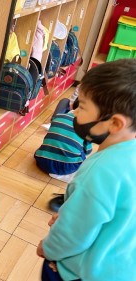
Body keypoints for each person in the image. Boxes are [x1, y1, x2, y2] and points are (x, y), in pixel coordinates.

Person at [37, 59, 136, 281]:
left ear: (115, 124)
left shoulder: (100, 170)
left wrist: (49, 248)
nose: (74, 113)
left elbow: (73, 235)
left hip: (80, 272)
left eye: (81, 107)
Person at [34, 97, 92, 211]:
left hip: (41, 160)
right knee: (84, 156)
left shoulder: (58, 117)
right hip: (67, 168)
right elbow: (88, 151)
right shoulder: (87, 127)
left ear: (71, 106)